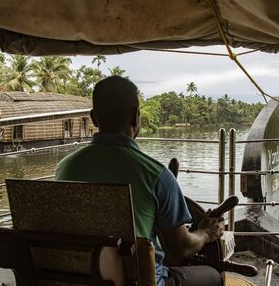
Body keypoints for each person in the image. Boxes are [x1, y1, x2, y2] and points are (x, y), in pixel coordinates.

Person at [55, 76, 223, 286]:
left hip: (81, 280)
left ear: (94, 118)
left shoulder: (65, 168)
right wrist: (206, 233)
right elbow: (181, 247)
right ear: (135, 117)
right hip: (141, 283)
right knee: (213, 277)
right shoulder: (157, 175)